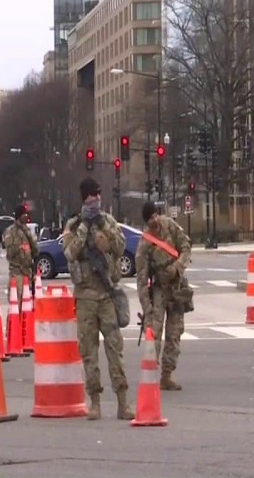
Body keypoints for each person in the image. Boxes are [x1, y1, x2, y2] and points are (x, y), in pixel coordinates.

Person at [63, 177, 135, 421]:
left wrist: (105, 232)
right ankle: (94, 401)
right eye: (93, 195)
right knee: (89, 352)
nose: (97, 199)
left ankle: (123, 402)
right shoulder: (74, 225)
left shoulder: (108, 221)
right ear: (85, 197)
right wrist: (84, 228)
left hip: (106, 296)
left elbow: (121, 248)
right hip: (85, 298)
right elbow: (70, 252)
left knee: (115, 349)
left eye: (98, 195)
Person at [134, 201, 193, 391]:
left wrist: (177, 267)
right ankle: (151, 373)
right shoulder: (144, 244)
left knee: (175, 333)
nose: (154, 220)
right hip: (159, 290)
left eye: (155, 215)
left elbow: (186, 246)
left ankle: (167, 375)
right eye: (150, 218)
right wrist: (147, 309)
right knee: (155, 334)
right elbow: (142, 280)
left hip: (176, 287)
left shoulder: (169, 225)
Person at [3, 204, 38, 309]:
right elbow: (10, 253)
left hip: (28, 272)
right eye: (24, 214)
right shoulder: (11, 231)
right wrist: (19, 246)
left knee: (28, 305)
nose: (26, 216)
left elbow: (35, 250)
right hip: (17, 272)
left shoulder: (26, 230)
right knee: (16, 305)